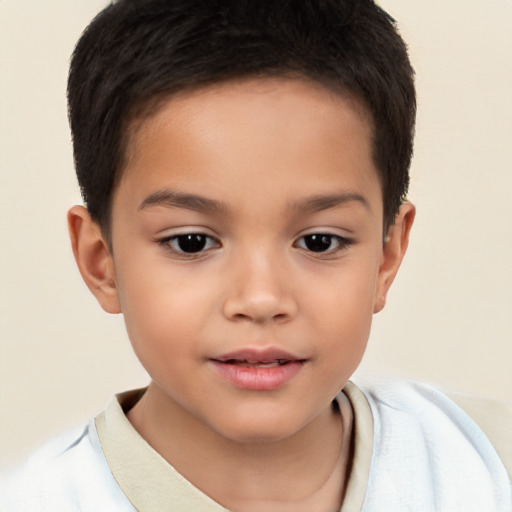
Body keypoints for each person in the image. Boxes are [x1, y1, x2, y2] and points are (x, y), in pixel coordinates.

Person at [1, 0, 510, 510]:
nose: (261, 299)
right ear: (101, 261)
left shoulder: (487, 465)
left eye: (319, 241)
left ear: (386, 256)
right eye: (192, 242)